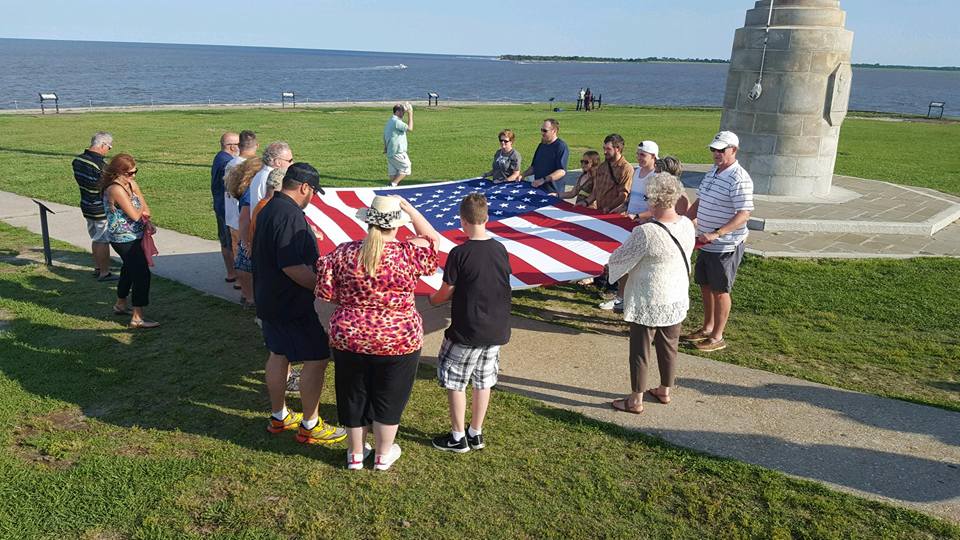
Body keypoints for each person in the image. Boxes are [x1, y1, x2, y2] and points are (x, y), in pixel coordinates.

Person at [316, 195, 440, 471]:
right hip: (399, 338)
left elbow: (325, 292)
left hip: (349, 335)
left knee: (352, 394)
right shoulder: (410, 253)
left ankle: (355, 455)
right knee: (390, 395)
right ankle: (384, 455)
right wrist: (410, 209)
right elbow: (432, 240)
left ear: (369, 221)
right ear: (397, 225)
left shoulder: (343, 252)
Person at [252, 162, 346, 446]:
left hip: (268, 298)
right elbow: (293, 266)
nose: (313, 198)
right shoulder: (291, 216)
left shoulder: (269, 207)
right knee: (317, 357)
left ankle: (279, 415)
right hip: (290, 303)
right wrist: (326, 290)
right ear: (304, 187)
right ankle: (310, 424)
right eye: (313, 192)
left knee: (278, 354)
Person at [428, 194, 512, 453]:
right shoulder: (500, 249)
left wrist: (432, 300)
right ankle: (475, 432)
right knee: (483, 381)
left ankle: (457, 436)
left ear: (462, 221)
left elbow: (446, 290)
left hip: (467, 330)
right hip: (496, 329)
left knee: (455, 381)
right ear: (486, 218)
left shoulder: (459, 253)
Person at [607, 173, 695, 413]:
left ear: (654, 200)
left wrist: (609, 268)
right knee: (670, 345)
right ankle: (665, 389)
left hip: (650, 297)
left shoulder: (646, 232)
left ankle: (635, 400)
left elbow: (619, 259)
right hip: (676, 294)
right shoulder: (687, 224)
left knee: (640, 349)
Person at [683, 131, 754, 353]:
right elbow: (700, 201)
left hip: (725, 244)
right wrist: (685, 221)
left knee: (720, 289)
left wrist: (717, 233)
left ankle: (717, 336)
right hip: (705, 241)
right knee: (705, 285)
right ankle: (707, 327)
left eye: (721, 150)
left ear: (734, 150)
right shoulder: (713, 172)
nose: (716, 153)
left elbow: (744, 214)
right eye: (713, 149)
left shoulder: (739, 178)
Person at [98, 154, 158, 329]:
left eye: (135, 171)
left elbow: (146, 210)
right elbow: (135, 213)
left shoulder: (129, 184)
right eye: (130, 173)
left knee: (128, 270)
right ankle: (137, 317)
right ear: (118, 172)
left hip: (135, 236)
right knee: (141, 274)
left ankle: (120, 303)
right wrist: (139, 204)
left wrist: (145, 216)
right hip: (123, 239)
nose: (134, 176)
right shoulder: (115, 189)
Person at [73, 131, 116, 281]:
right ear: (103, 145)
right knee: (103, 240)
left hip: (86, 204)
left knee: (95, 238)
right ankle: (105, 272)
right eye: (109, 147)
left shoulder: (78, 160)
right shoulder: (100, 166)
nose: (108, 150)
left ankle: (98, 268)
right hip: (99, 208)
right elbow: (107, 187)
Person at [223, 130, 258, 290]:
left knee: (238, 250)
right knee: (251, 251)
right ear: (256, 145)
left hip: (232, 215)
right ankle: (249, 286)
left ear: (239, 146)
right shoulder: (255, 166)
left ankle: (240, 282)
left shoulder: (230, 164)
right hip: (248, 216)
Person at [225, 158, 263, 306]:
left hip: (237, 229)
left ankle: (246, 296)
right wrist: (246, 242)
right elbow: (245, 218)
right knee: (246, 264)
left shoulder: (245, 188)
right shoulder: (251, 190)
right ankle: (250, 298)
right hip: (246, 233)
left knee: (242, 263)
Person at [212, 132, 240, 284]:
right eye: (238, 144)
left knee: (225, 242)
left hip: (220, 206)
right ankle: (238, 277)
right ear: (231, 146)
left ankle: (231, 273)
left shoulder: (220, 158)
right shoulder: (227, 163)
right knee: (232, 243)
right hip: (226, 209)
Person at [586, 134, 633, 215]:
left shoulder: (625, 168)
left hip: (614, 214)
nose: (604, 152)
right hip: (600, 212)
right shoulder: (602, 166)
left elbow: (623, 196)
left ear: (617, 149)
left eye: (608, 149)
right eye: (604, 148)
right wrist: (585, 202)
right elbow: (595, 191)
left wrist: (609, 208)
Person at [519, 119, 568, 194]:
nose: (542, 133)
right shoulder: (541, 145)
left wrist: (543, 180)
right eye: (541, 130)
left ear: (554, 131)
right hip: (538, 188)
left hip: (553, 191)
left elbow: (561, 171)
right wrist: (523, 174)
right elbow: (534, 167)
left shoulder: (560, 146)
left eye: (545, 131)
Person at [623, 140, 659, 220]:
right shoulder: (636, 171)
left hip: (646, 224)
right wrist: (622, 208)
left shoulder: (657, 176)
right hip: (630, 220)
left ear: (653, 156)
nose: (638, 158)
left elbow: (658, 208)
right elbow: (631, 197)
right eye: (638, 154)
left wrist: (637, 216)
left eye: (642, 155)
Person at [384, 102, 413, 186]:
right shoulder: (397, 122)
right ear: (397, 112)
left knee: (393, 172)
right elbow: (410, 128)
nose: (403, 113)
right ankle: (393, 184)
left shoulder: (390, 121)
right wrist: (410, 113)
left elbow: (385, 135)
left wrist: (385, 147)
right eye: (402, 111)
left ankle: (393, 189)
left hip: (390, 151)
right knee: (406, 167)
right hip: (398, 151)